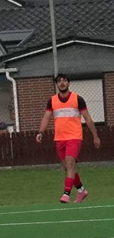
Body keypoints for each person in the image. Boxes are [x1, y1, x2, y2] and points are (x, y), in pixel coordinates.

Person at [35, 74, 101, 203]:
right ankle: (81, 191)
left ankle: (66, 194)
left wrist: (95, 136)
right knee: (67, 167)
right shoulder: (52, 100)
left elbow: (87, 118)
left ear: (69, 83)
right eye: (59, 81)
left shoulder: (77, 99)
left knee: (70, 163)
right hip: (59, 138)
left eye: (64, 80)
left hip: (74, 137)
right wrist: (40, 132)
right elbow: (46, 117)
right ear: (57, 84)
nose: (62, 83)